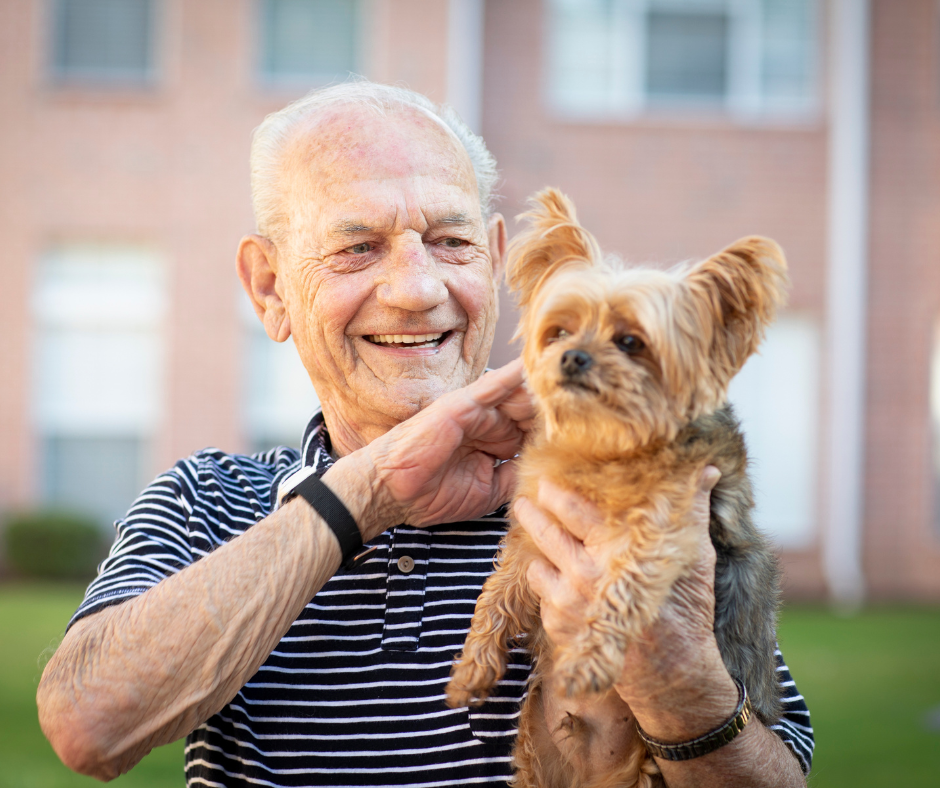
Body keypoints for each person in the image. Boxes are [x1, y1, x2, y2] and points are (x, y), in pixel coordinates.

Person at [37, 81, 813, 787]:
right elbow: (89, 726)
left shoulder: (645, 495)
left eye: (451, 241)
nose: (415, 289)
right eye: (357, 248)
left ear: (501, 264)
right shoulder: (207, 500)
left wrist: (676, 682)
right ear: (270, 287)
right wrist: (368, 490)